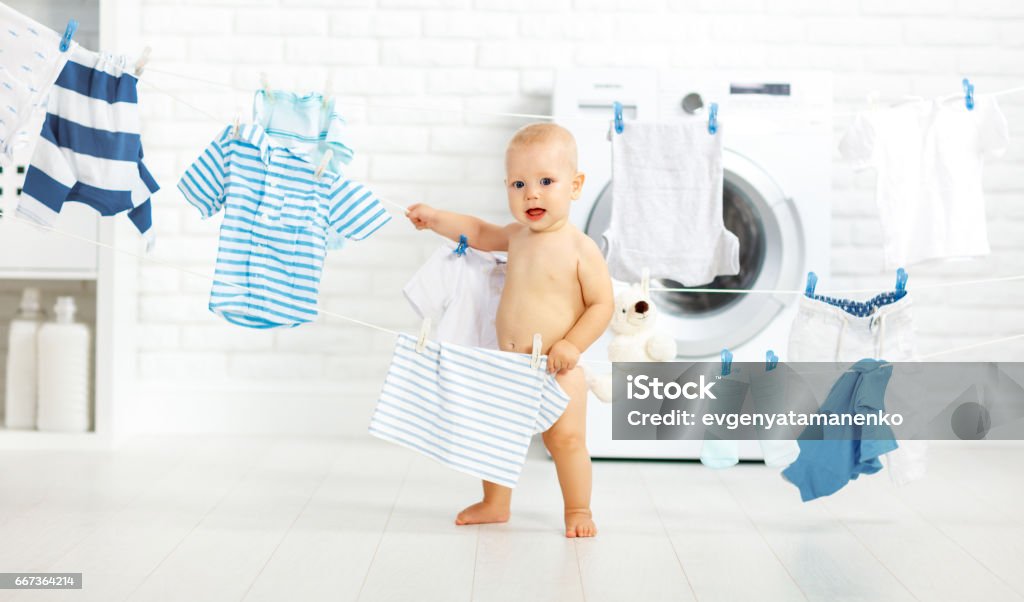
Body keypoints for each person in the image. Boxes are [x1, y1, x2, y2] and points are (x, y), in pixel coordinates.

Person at [406, 122, 614, 538]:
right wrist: (435, 219)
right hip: (508, 364)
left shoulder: (580, 247)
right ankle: (495, 503)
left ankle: (578, 508)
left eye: (545, 181)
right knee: (495, 436)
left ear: (575, 186)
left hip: (558, 366)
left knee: (566, 441)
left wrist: (573, 344)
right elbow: (480, 233)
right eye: (518, 183)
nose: (531, 193)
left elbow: (602, 304)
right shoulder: (517, 235)